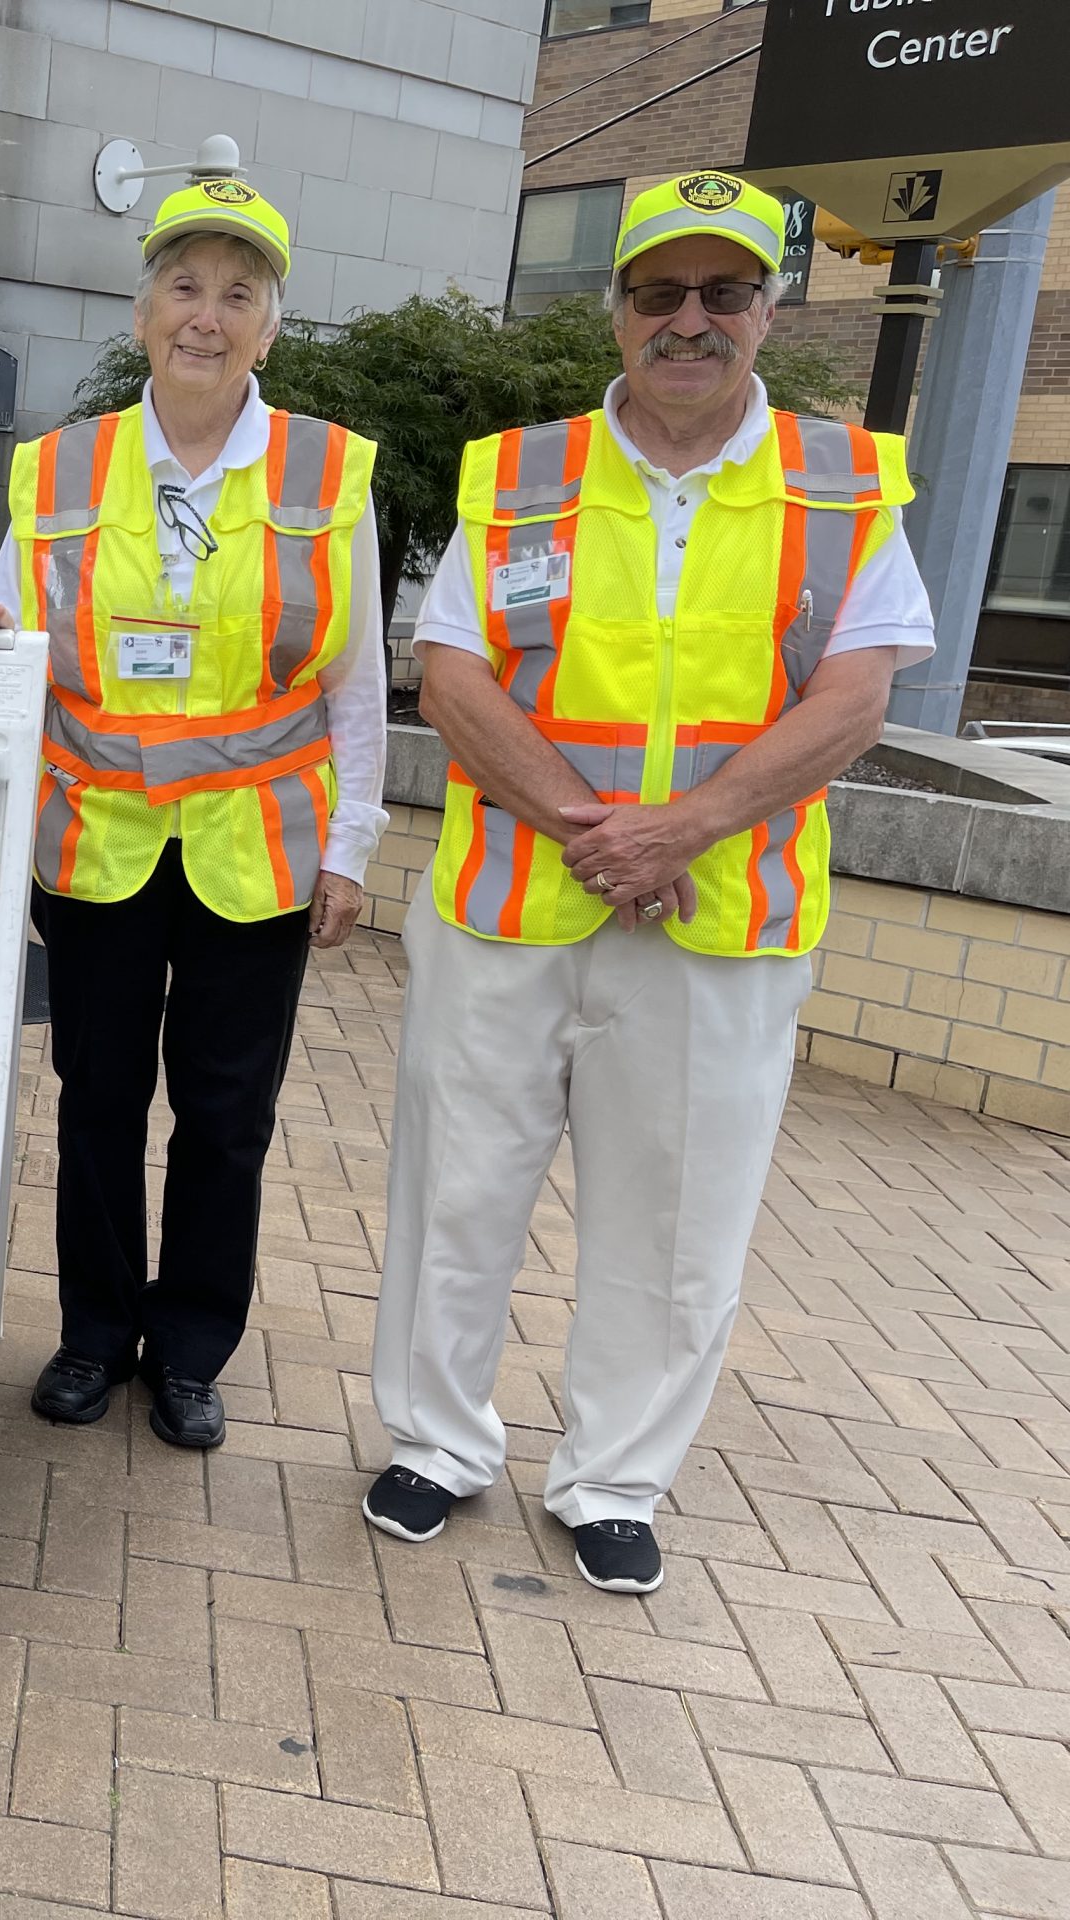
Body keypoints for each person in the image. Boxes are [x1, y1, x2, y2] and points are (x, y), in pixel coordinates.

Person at [362, 171, 933, 1595]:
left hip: (719, 919)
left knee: (677, 1217)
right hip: (513, 902)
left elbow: (856, 698)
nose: (690, 321)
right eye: (658, 293)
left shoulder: (846, 480)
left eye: (722, 292)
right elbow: (451, 672)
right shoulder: (520, 473)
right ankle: (439, 1444)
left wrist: (681, 830)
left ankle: (615, 1477)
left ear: (766, 310)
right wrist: (590, 824)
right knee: (458, 1190)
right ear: (616, 311)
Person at [0, 160, 387, 1450]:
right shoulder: (59, 470)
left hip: (259, 849)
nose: (207, 311)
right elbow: (10, 633)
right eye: (183, 284)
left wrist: (351, 846)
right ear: (140, 314)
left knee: (226, 1117)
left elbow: (358, 684)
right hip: (98, 847)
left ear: (271, 326)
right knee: (95, 1102)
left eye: (237, 292)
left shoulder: (328, 474)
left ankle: (190, 1348)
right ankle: (90, 1335)